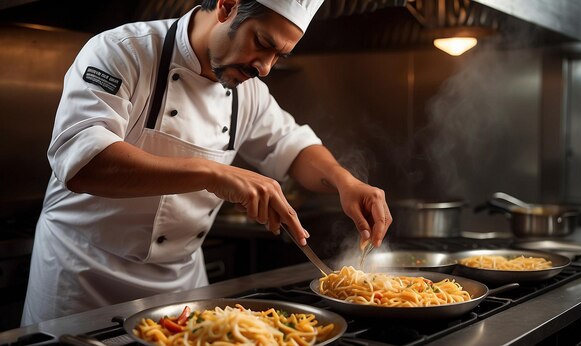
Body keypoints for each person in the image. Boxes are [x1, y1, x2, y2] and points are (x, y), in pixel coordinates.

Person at [21, 0, 392, 325]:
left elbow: (292, 145)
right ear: (227, 6)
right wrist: (212, 172)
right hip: (82, 282)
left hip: (181, 290)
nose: (265, 67)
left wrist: (345, 181)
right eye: (263, 43)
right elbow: (83, 161)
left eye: (279, 56)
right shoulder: (122, 51)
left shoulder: (248, 92)